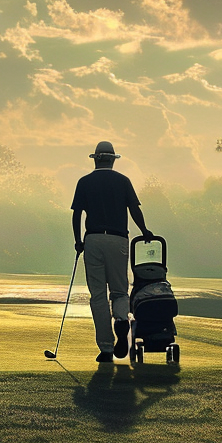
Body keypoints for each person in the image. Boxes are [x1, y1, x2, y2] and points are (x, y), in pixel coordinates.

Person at [71, 141, 151, 363]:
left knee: (97, 295)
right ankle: (121, 320)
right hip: (118, 239)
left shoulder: (84, 182)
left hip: (93, 238)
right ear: (112, 160)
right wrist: (144, 231)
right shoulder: (123, 181)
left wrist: (78, 241)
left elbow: (77, 214)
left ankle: (106, 348)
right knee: (119, 290)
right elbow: (134, 209)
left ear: (96, 159)